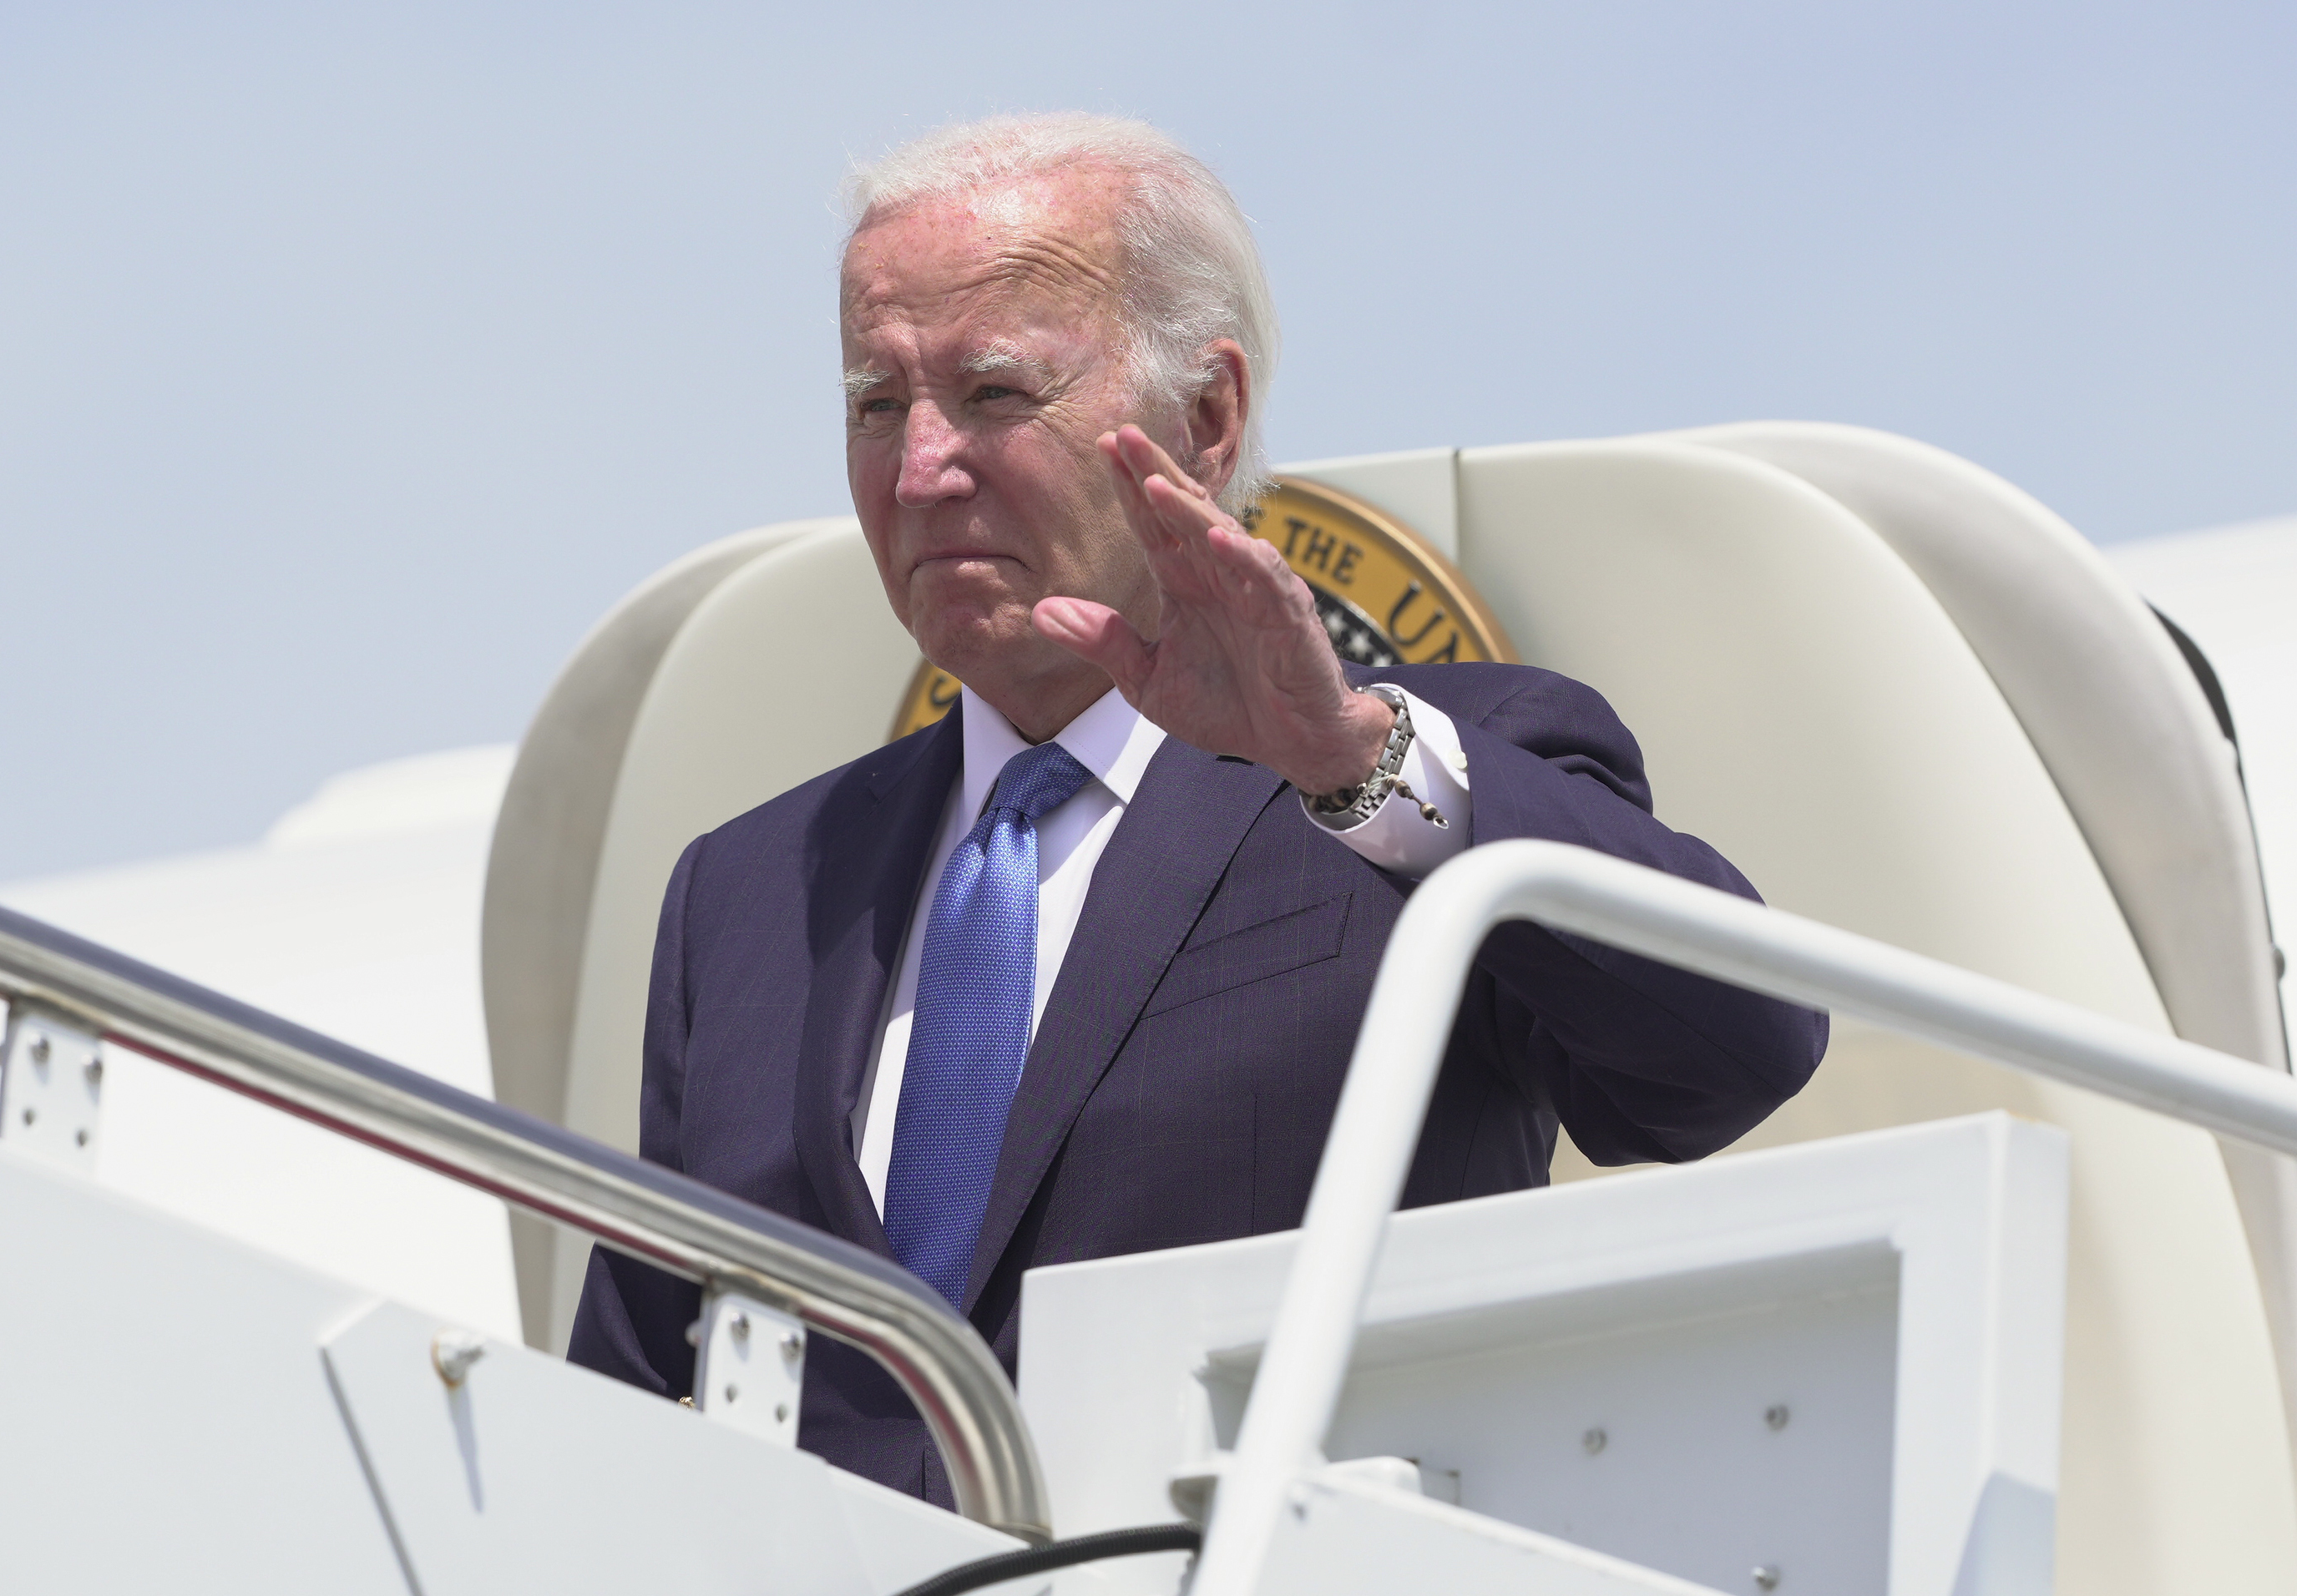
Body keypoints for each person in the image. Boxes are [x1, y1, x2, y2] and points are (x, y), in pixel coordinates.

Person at [569, 113, 1828, 1506]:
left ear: (1207, 418)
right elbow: (629, 1410)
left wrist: (1351, 758)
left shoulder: (1412, 781)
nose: (920, 466)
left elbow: (1734, 1049)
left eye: (993, 394)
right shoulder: (748, 896)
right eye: (877, 404)